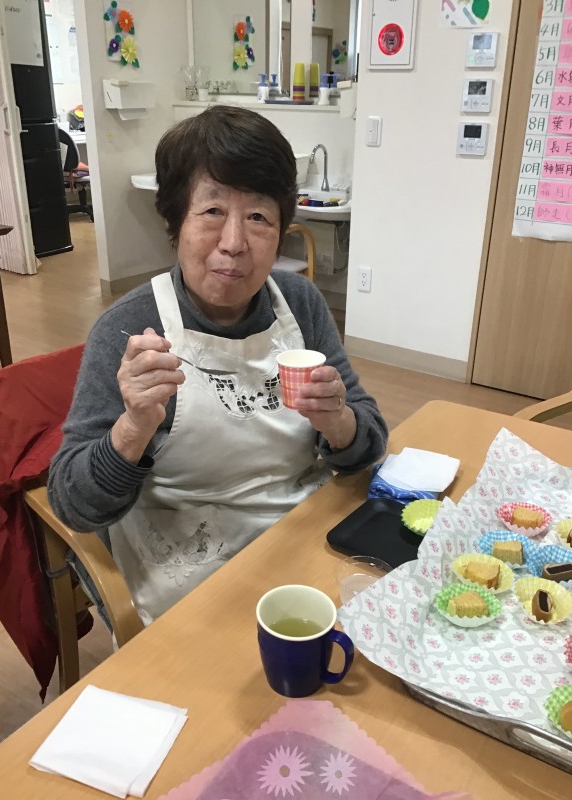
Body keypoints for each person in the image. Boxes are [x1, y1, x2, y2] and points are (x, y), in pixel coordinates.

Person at [48, 105, 388, 625]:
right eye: (211, 212)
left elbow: (369, 442)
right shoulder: (130, 328)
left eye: (258, 218)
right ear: (175, 222)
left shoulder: (298, 302)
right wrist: (133, 428)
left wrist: (339, 421)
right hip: (188, 567)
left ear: (282, 230)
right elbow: (73, 503)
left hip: (305, 534)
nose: (234, 243)